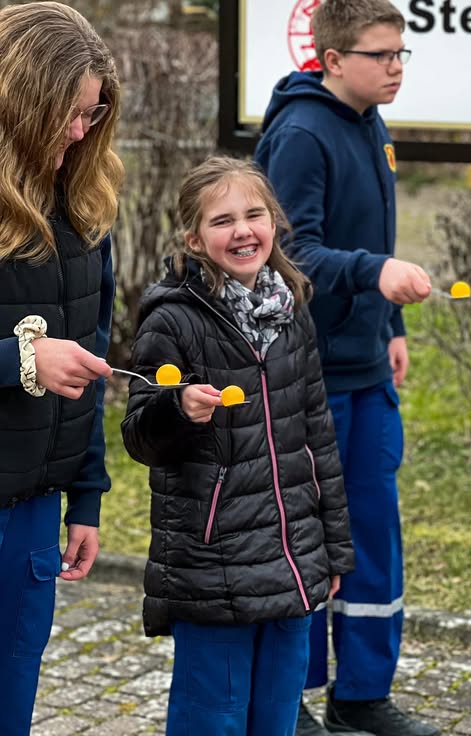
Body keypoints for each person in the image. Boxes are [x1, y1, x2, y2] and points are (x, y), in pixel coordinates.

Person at [255, 0, 439, 736]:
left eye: (402, 53)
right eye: (381, 55)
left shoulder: (372, 124)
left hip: (367, 369)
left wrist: (389, 322)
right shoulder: (302, 132)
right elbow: (288, 249)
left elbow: (375, 230)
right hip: (311, 375)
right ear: (333, 59)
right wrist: (372, 274)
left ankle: (363, 696)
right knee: (308, 536)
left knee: (372, 532)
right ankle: (288, 701)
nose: (396, 67)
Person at [121, 156, 355, 736]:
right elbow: (140, 436)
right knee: (213, 719)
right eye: (222, 221)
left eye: (254, 214)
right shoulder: (172, 320)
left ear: (274, 221)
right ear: (193, 237)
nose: (243, 231)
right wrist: (178, 410)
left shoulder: (292, 309)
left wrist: (333, 550)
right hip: (212, 564)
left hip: (293, 561)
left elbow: (318, 435)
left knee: (275, 718)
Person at [0, 1, 124, 736]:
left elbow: (91, 363)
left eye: (94, 113)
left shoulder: (85, 205)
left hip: (35, 508)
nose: (82, 132)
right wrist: (20, 359)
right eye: (68, 114)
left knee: (14, 696)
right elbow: (41, 360)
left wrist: (87, 494)